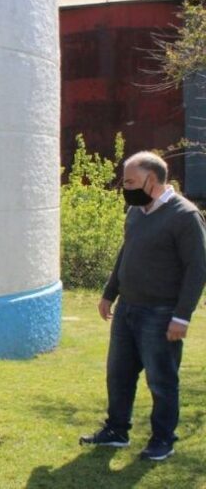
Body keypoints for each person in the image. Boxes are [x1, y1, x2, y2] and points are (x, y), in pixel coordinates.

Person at [80, 151, 206, 461]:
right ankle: (116, 430)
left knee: (161, 380)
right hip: (127, 309)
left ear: (151, 180)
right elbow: (126, 252)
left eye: (130, 182)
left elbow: (197, 269)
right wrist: (109, 293)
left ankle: (163, 439)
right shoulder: (136, 212)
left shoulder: (185, 216)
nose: (124, 187)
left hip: (161, 313)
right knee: (118, 374)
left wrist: (182, 317)